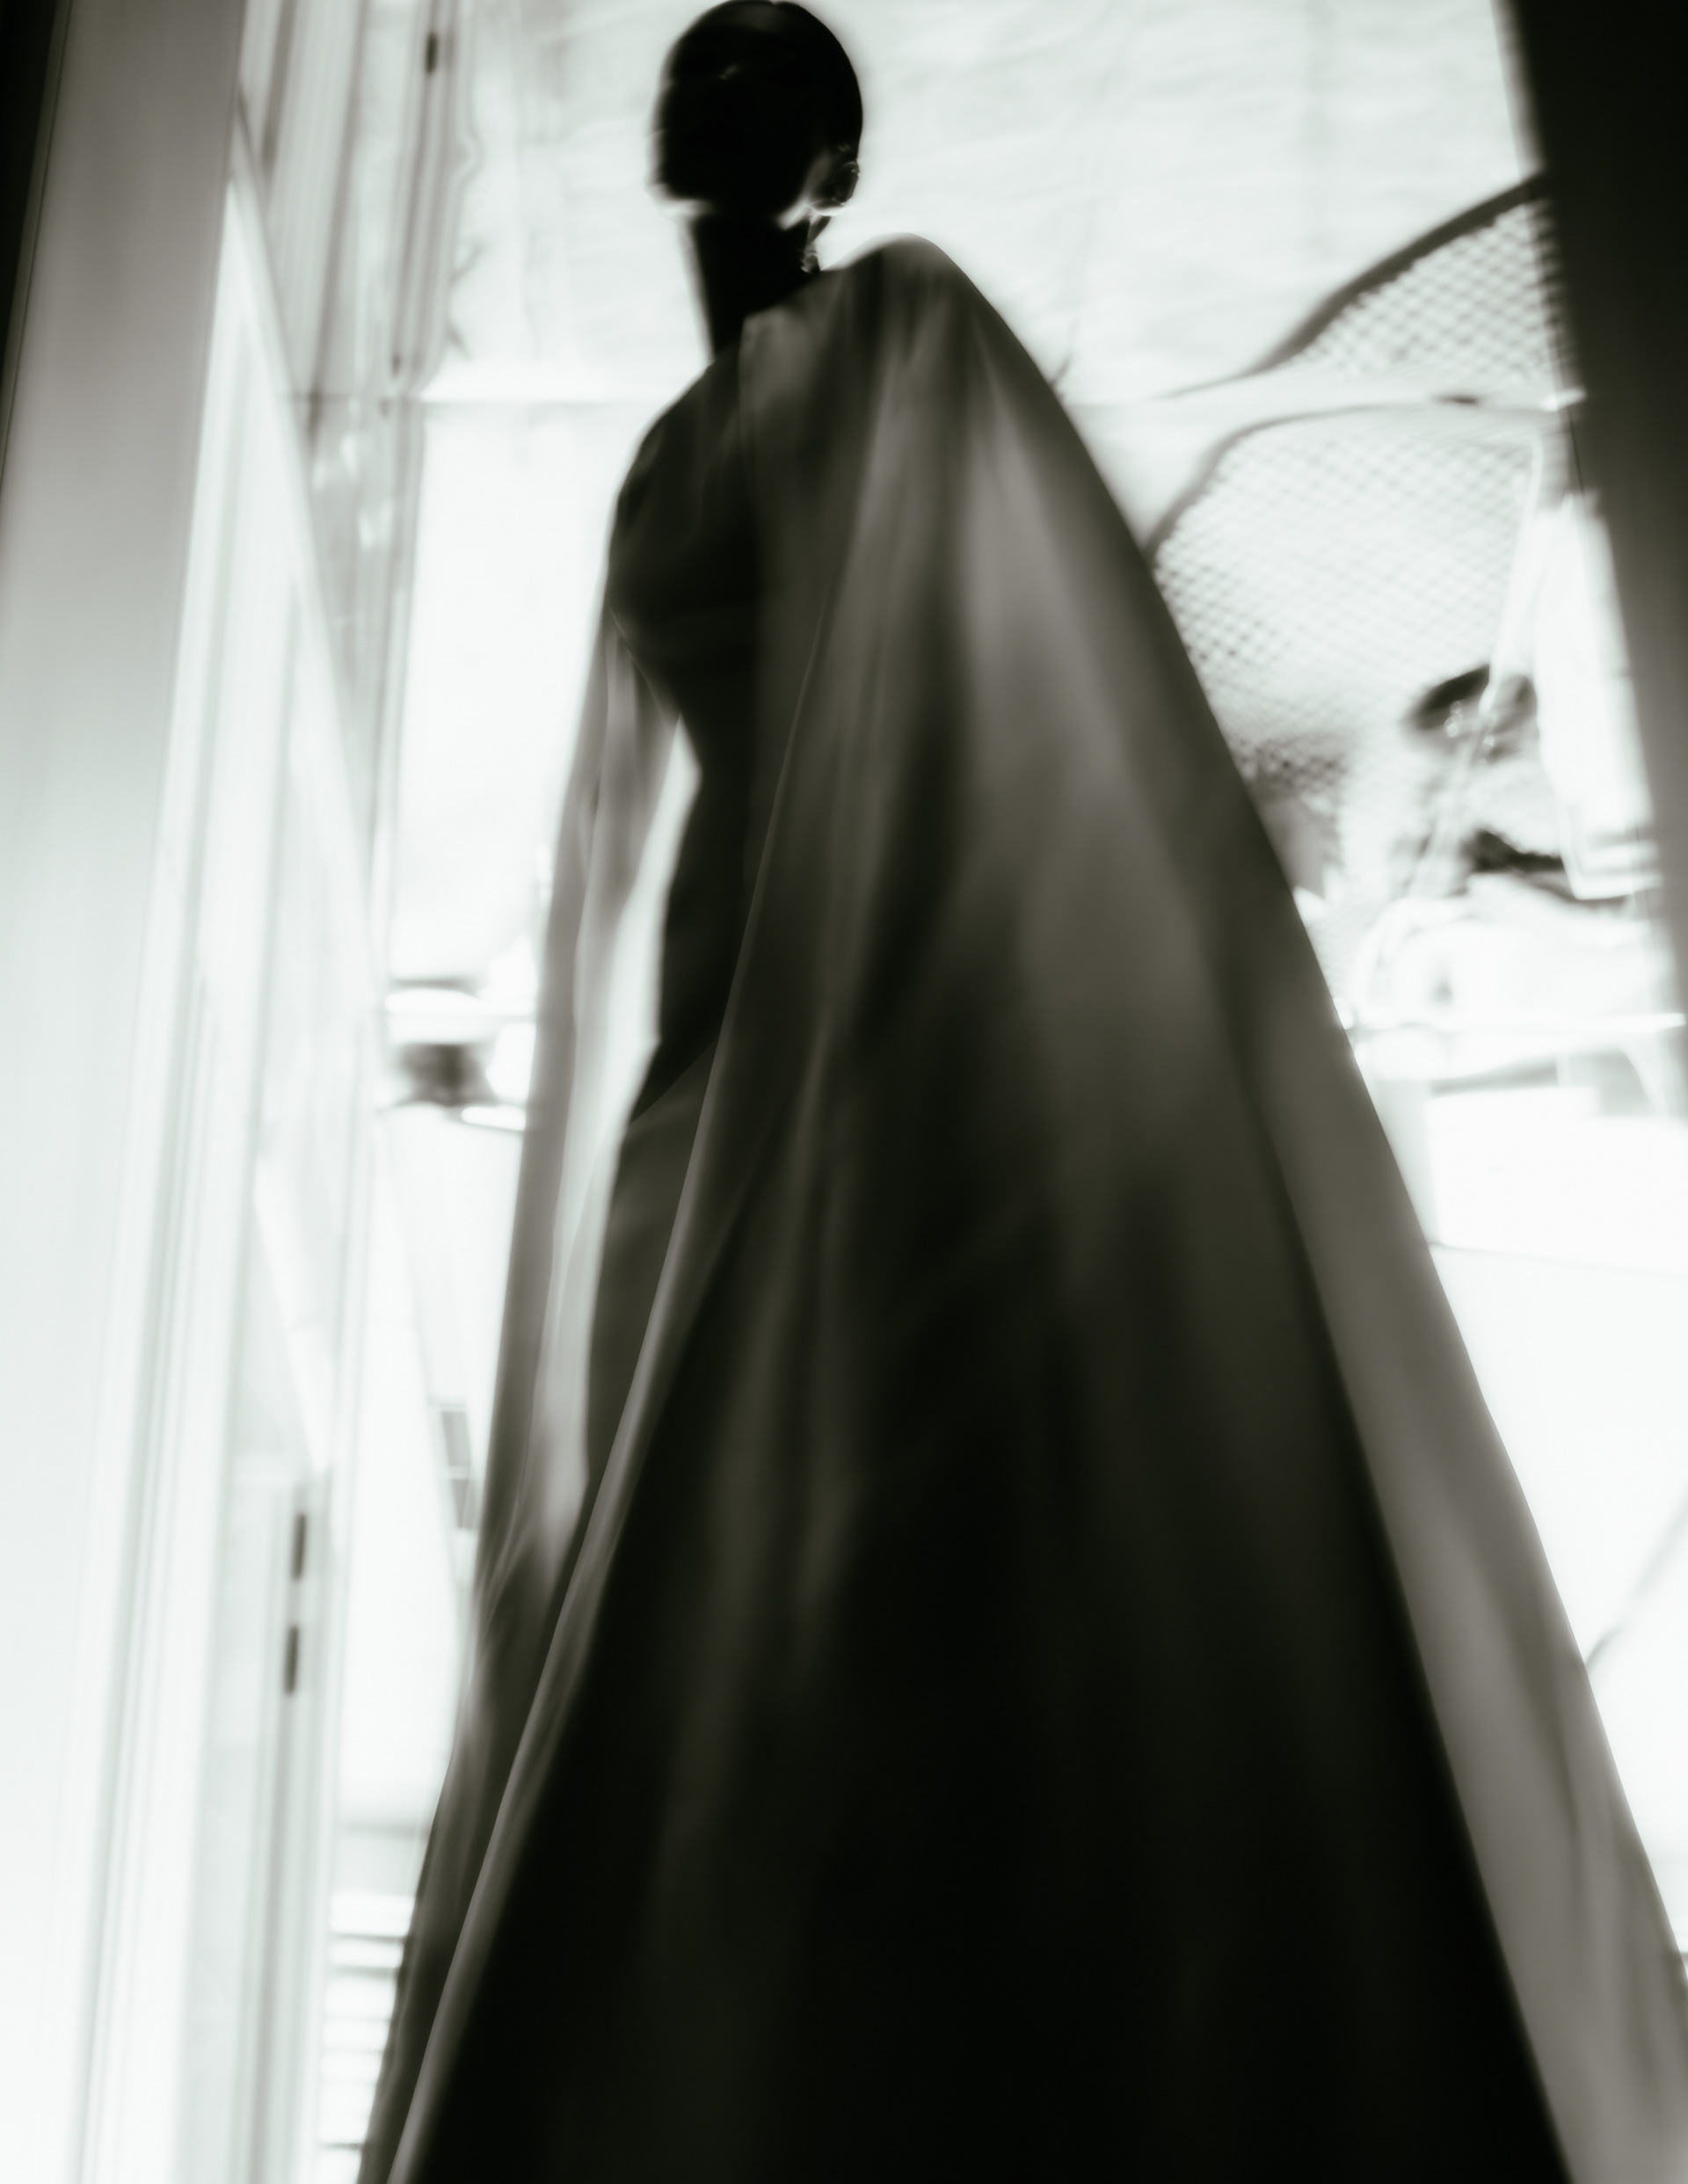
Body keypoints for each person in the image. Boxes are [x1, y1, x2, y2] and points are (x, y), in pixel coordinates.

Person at [359, 10, 1688, 2180]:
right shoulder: (674, 453)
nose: (710, 116)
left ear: (825, 160)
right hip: (723, 1026)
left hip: (885, 987)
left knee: (919, 1509)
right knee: (718, 1556)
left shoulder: (905, 342)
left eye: (762, 92)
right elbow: (622, 822)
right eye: (702, 85)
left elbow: (1032, 659)